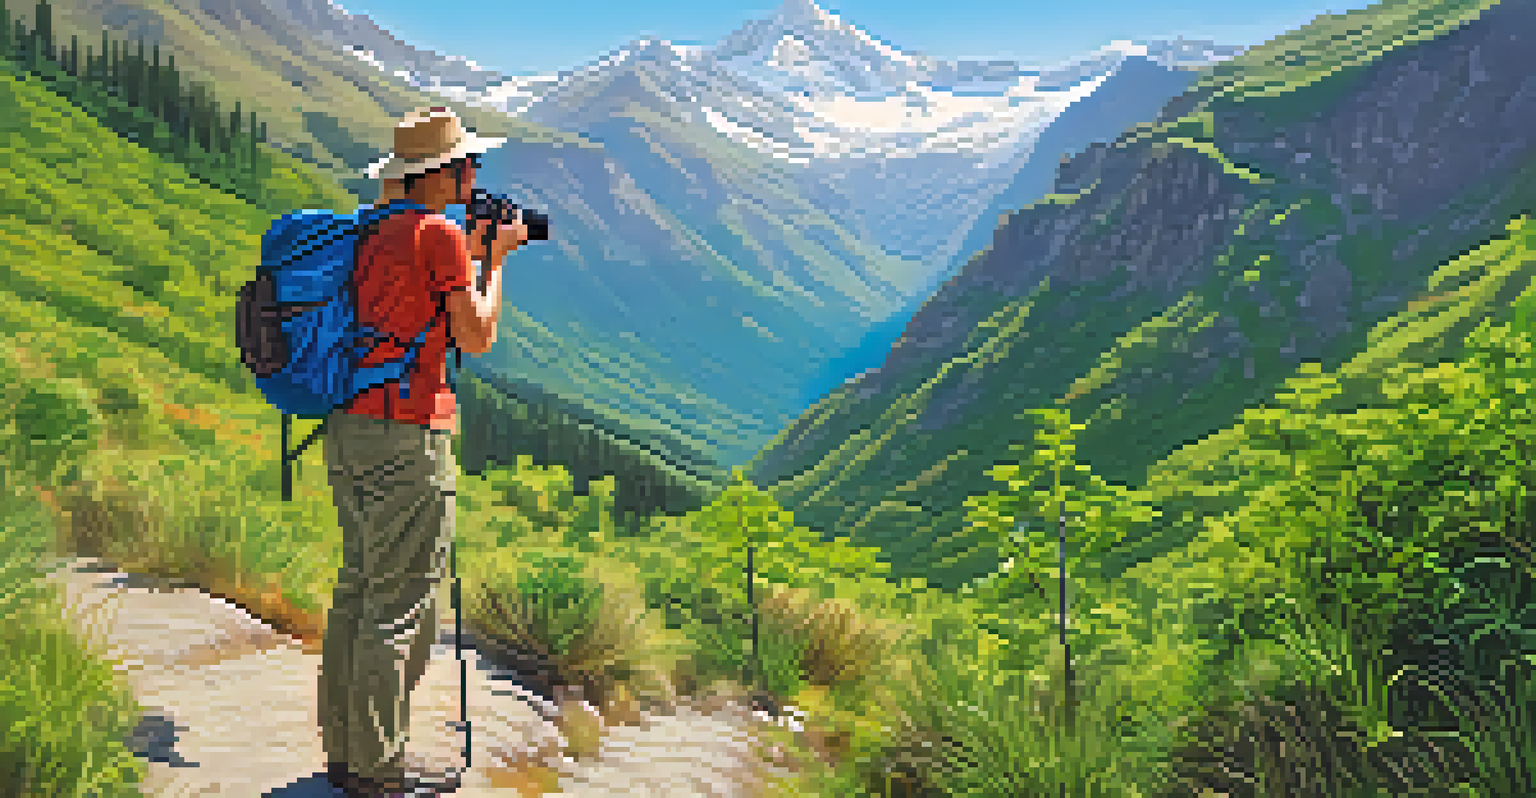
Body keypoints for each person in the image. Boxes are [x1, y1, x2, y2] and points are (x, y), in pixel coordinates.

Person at [320, 106, 528, 798]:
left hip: (348, 429)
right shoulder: (437, 234)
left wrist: (469, 253)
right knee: (401, 606)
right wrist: (494, 263)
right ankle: (379, 769)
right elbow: (476, 336)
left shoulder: (369, 230)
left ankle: (346, 754)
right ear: (441, 173)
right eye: (469, 163)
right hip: (408, 434)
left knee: (358, 591)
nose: (475, 173)